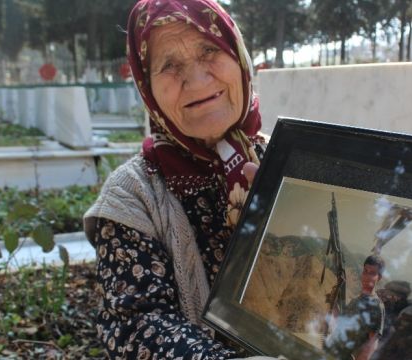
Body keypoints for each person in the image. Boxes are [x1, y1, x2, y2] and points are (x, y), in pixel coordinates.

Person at [83, 0, 271, 358]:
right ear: (147, 86)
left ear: (239, 56)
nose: (196, 79)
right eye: (169, 65)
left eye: (210, 50)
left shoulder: (279, 157)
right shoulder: (132, 195)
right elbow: (136, 324)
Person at [325, 255, 386, 360]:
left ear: (379, 278)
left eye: (372, 273)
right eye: (365, 271)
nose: (366, 276)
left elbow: (372, 345)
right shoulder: (356, 300)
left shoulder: (376, 306)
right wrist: (333, 304)